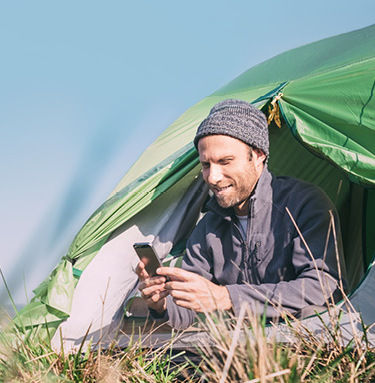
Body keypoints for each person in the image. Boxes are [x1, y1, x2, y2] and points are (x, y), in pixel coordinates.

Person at [135, 99, 345, 330]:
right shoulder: (208, 228)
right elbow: (187, 313)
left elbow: (322, 287)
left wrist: (226, 297)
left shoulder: (303, 203)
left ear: (258, 156)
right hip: (241, 350)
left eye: (225, 162)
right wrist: (160, 304)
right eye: (206, 165)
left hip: (305, 345)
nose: (212, 177)